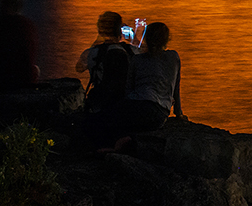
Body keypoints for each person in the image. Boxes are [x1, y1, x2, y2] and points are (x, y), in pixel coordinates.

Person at [89, 21, 183, 151]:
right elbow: (175, 88)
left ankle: (111, 145)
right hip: (160, 113)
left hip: (137, 105)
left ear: (146, 38)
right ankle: (124, 142)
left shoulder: (137, 60)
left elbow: (128, 90)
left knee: (101, 119)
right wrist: (178, 113)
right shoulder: (174, 57)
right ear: (167, 39)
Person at [77, 11, 137, 112]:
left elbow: (79, 68)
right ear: (120, 30)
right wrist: (134, 40)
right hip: (126, 104)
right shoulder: (132, 51)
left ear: (100, 30)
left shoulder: (93, 53)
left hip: (101, 105)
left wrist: (98, 41)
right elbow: (146, 56)